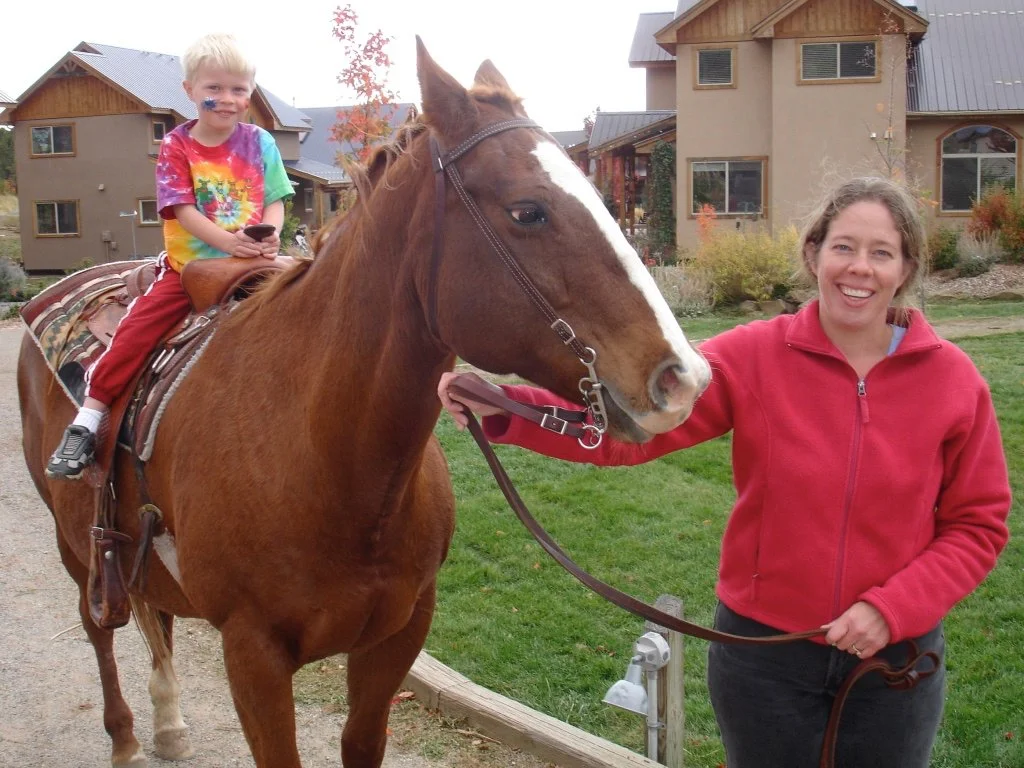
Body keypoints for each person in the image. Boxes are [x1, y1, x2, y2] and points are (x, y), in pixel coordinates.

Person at [437, 177, 1011, 767]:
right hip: (764, 660)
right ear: (814, 252)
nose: (859, 267)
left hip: (894, 665)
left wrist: (892, 610)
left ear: (905, 267)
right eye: (843, 247)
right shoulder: (753, 356)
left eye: (881, 252)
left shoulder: (952, 381)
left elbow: (978, 525)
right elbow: (636, 430)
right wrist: (510, 408)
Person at [46, 33, 292, 479]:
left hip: (256, 262)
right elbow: (183, 210)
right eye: (214, 88)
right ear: (190, 90)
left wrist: (270, 233)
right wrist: (227, 243)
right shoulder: (178, 145)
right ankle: (89, 417)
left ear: (250, 93)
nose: (226, 99)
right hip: (192, 269)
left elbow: (275, 199)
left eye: (238, 89)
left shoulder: (261, 142)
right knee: (137, 332)